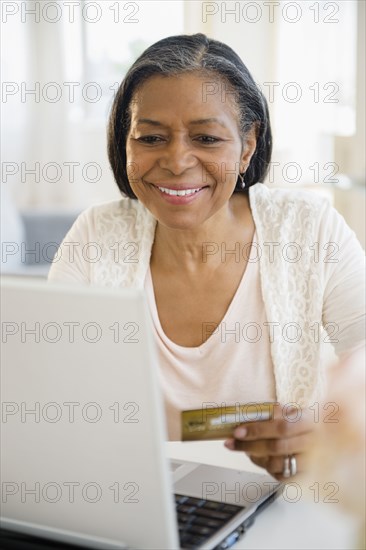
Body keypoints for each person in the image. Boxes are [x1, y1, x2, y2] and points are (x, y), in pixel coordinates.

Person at [48, 33, 365, 481]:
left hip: (278, 498)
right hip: (133, 497)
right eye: (151, 137)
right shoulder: (97, 235)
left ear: (248, 145)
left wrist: (326, 427)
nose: (177, 161)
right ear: (126, 143)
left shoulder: (308, 228)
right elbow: (49, 388)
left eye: (207, 137)